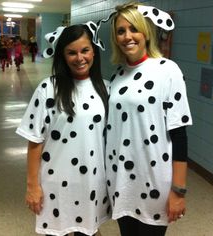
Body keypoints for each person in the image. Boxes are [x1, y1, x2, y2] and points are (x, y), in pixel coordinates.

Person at [104, 2, 192, 236]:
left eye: (134, 29)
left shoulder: (167, 70)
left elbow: (179, 134)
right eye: (121, 31)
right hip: (121, 181)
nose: (127, 36)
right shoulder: (118, 75)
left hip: (154, 183)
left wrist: (179, 190)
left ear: (146, 33)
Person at [16, 23, 110, 236]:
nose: (80, 58)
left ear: (93, 51)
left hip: (92, 182)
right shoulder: (49, 88)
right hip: (56, 183)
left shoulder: (105, 89)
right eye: (71, 52)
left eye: (85, 50)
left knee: (89, 230)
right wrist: (32, 186)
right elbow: (35, 140)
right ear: (63, 56)